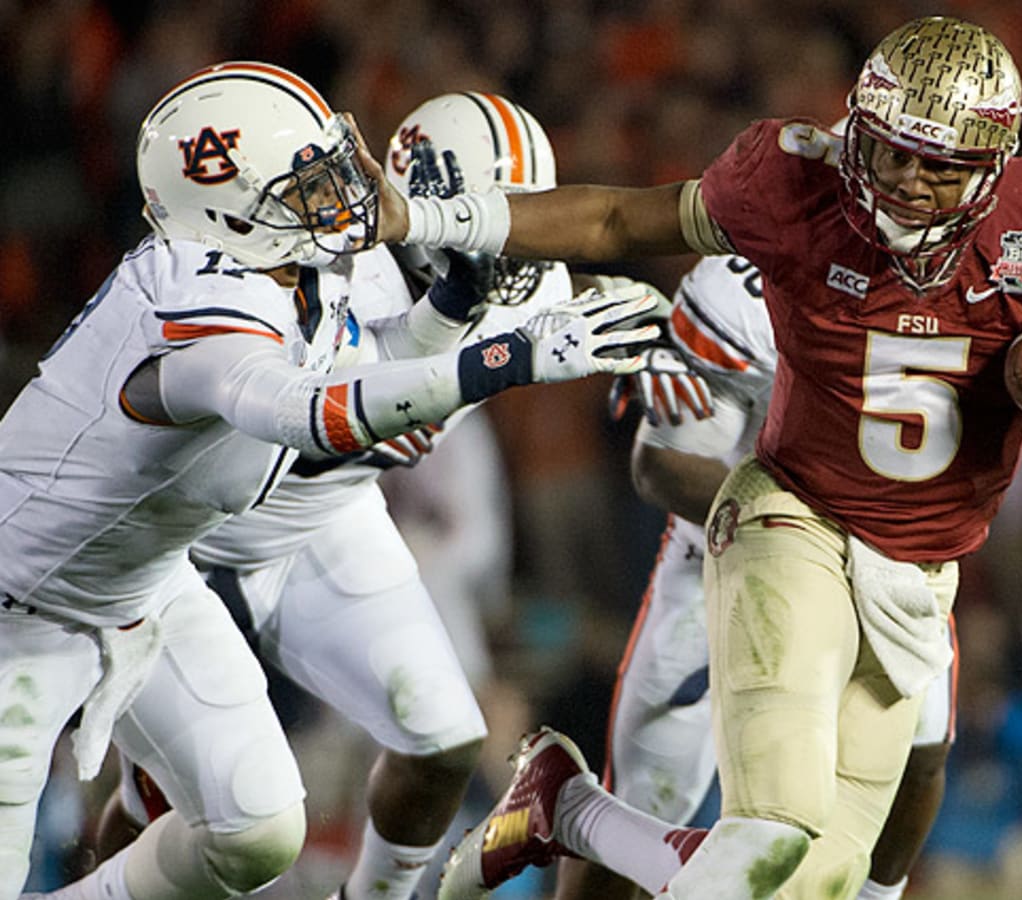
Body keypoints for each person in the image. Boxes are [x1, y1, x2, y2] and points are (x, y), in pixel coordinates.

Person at [371, 15, 1022, 899]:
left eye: (941, 166)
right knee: (762, 837)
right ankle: (580, 817)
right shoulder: (783, 194)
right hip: (784, 520)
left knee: (826, 878)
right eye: (891, 155)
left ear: (994, 165)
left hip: (915, 572)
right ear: (858, 133)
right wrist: (426, 216)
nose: (912, 185)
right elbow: (619, 219)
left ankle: (564, 805)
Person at [0, 63, 659, 900]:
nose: (344, 200)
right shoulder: (199, 300)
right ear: (230, 211)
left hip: (159, 581)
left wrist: (460, 309)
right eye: (305, 187)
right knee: (149, 807)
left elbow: (372, 365)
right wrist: (504, 356)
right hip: (34, 601)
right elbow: (314, 416)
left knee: (261, 829)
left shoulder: (297, 264)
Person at [556, 253, 959, 900]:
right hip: (721, 555)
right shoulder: (744, 285)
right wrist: (815, 526)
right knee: (651, 797)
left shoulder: (954, 268)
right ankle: (571, 811)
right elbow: (661, 465)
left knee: (921, 750)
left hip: (881, 557)